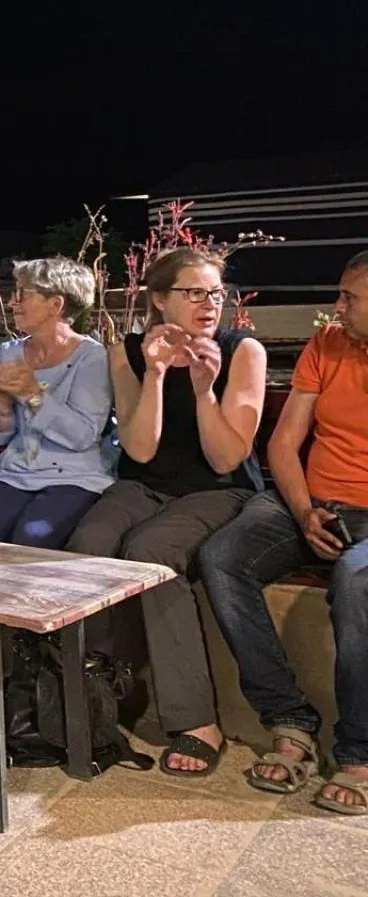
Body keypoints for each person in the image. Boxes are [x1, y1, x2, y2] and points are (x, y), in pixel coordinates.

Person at [64, 247, 266, 777]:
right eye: (194, 292)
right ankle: (92, 695)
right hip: (146, 484)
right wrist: (154, 375)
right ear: (159, 299)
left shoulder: (242, 351)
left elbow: (226, 458)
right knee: (89, 545)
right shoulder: (127, 352)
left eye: (216, 293)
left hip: (218, 490)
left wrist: (204, 392)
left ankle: (196, 720)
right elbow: (140, 449)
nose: (210, 304)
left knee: (151, 552)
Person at [200, 250, 368, 813]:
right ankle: (289, 719)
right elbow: (284, 442)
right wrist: (303, 512)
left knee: (356, 580)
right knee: (223, 557)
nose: (336, 307)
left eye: (350, 298)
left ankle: (359, 752)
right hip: (309, 501)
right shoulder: (328, 344)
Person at [0, 258, 114, 702]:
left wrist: (32, 392)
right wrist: (2, 406)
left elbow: (82, 435)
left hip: (75, 475)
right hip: (16, 472)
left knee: (32, 539)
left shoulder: (91, 358)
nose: (13, 302)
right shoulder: (10, 352)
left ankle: (32, 664)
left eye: (23, 294)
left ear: (56, 304)